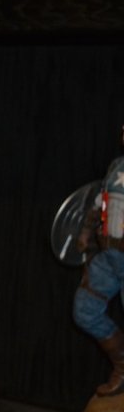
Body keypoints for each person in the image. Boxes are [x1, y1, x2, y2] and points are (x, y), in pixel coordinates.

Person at [73, 136, 124, 397]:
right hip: (108, 256)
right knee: (86, 310)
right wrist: (85, 232)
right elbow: (99, 204)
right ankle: (123, 367)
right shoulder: (116, 166)